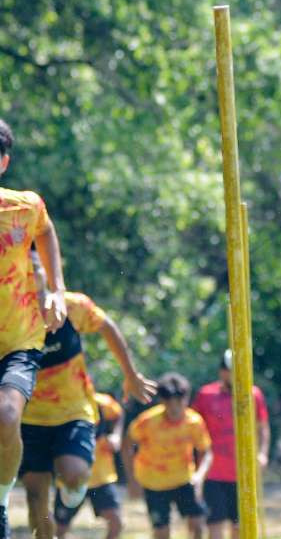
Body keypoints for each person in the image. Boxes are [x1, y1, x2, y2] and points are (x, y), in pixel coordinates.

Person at [20, 290, 157, 538]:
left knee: (73, 475)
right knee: (36, 500)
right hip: (29, 417)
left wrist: (130, 374)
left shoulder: (71, 306)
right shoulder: (12, 311)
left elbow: (107, 326)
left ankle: (74, 488)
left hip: (74, 411)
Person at [0, 118, 68, 537]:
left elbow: (46, 231)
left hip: (19, 338)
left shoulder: (24, 206)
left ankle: (1, 498)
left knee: (7, 416)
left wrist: (57, 289)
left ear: (3, 163)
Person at [190, 350, 271, 539]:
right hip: (213, 472)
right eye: (230, 370)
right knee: (215, 524)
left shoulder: (254, 394)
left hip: (243, 472)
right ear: (222, 371)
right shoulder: (205, 394)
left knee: (240, 525)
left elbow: (263, 428)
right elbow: (192, 428)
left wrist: (263, 453)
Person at [123, 372, 213, 539]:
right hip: (153, 482)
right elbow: (126, 446)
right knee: (161, 532)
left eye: (179, 402)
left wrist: (199, 477)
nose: (175, 408)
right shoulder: (147, 422)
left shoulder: (194, 422)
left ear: (186, 399)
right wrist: (132, 479)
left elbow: (206, 452)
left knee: (198, 524)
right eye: (169, 403)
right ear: (162, 401)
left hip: (184, 479)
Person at [54, 391, 127, 539]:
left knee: (116, 522)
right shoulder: (61, 402)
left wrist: (116, 436)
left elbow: (119, 414)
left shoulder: (102, 402)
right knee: (59, 528)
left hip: (101, 476)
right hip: (70, 477)